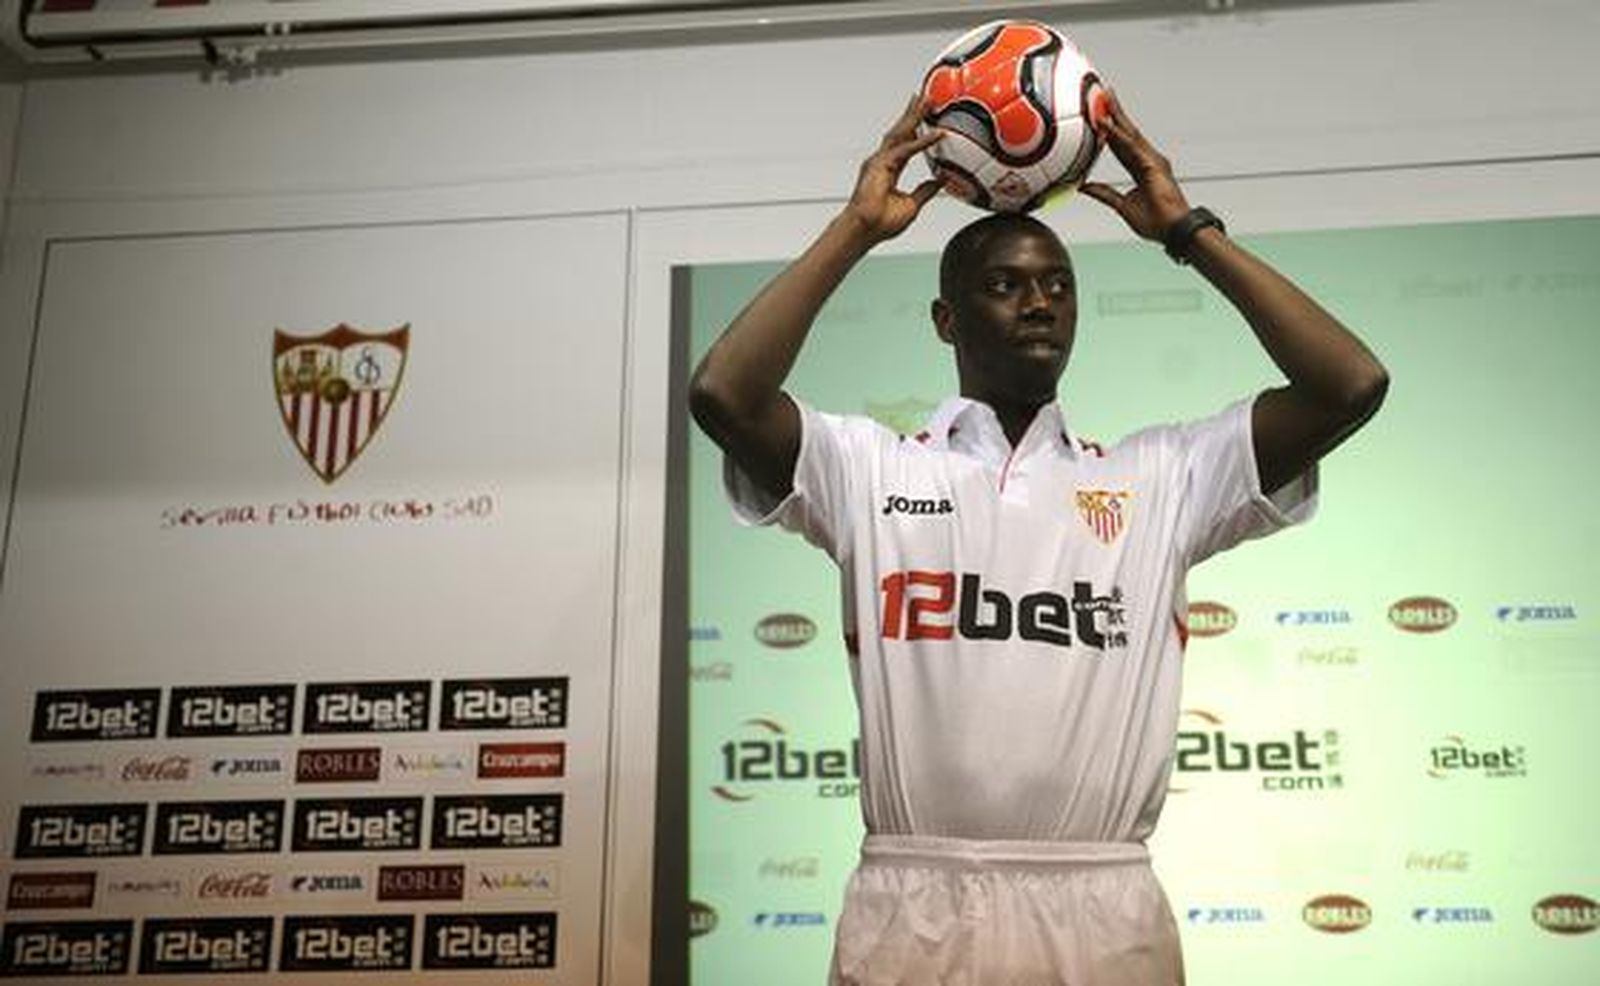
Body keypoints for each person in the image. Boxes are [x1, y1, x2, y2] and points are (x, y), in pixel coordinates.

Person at [688, 89, 1388, 986]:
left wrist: (1189, 232)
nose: (1040, 304)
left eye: (1059, 286)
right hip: (917, 902)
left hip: (1102, 904)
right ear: (947, 320)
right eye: (1006, 284)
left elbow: (1350, 383)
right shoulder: (869, 469)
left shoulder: (1159, 477)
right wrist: (857, 228)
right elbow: (724, 395)